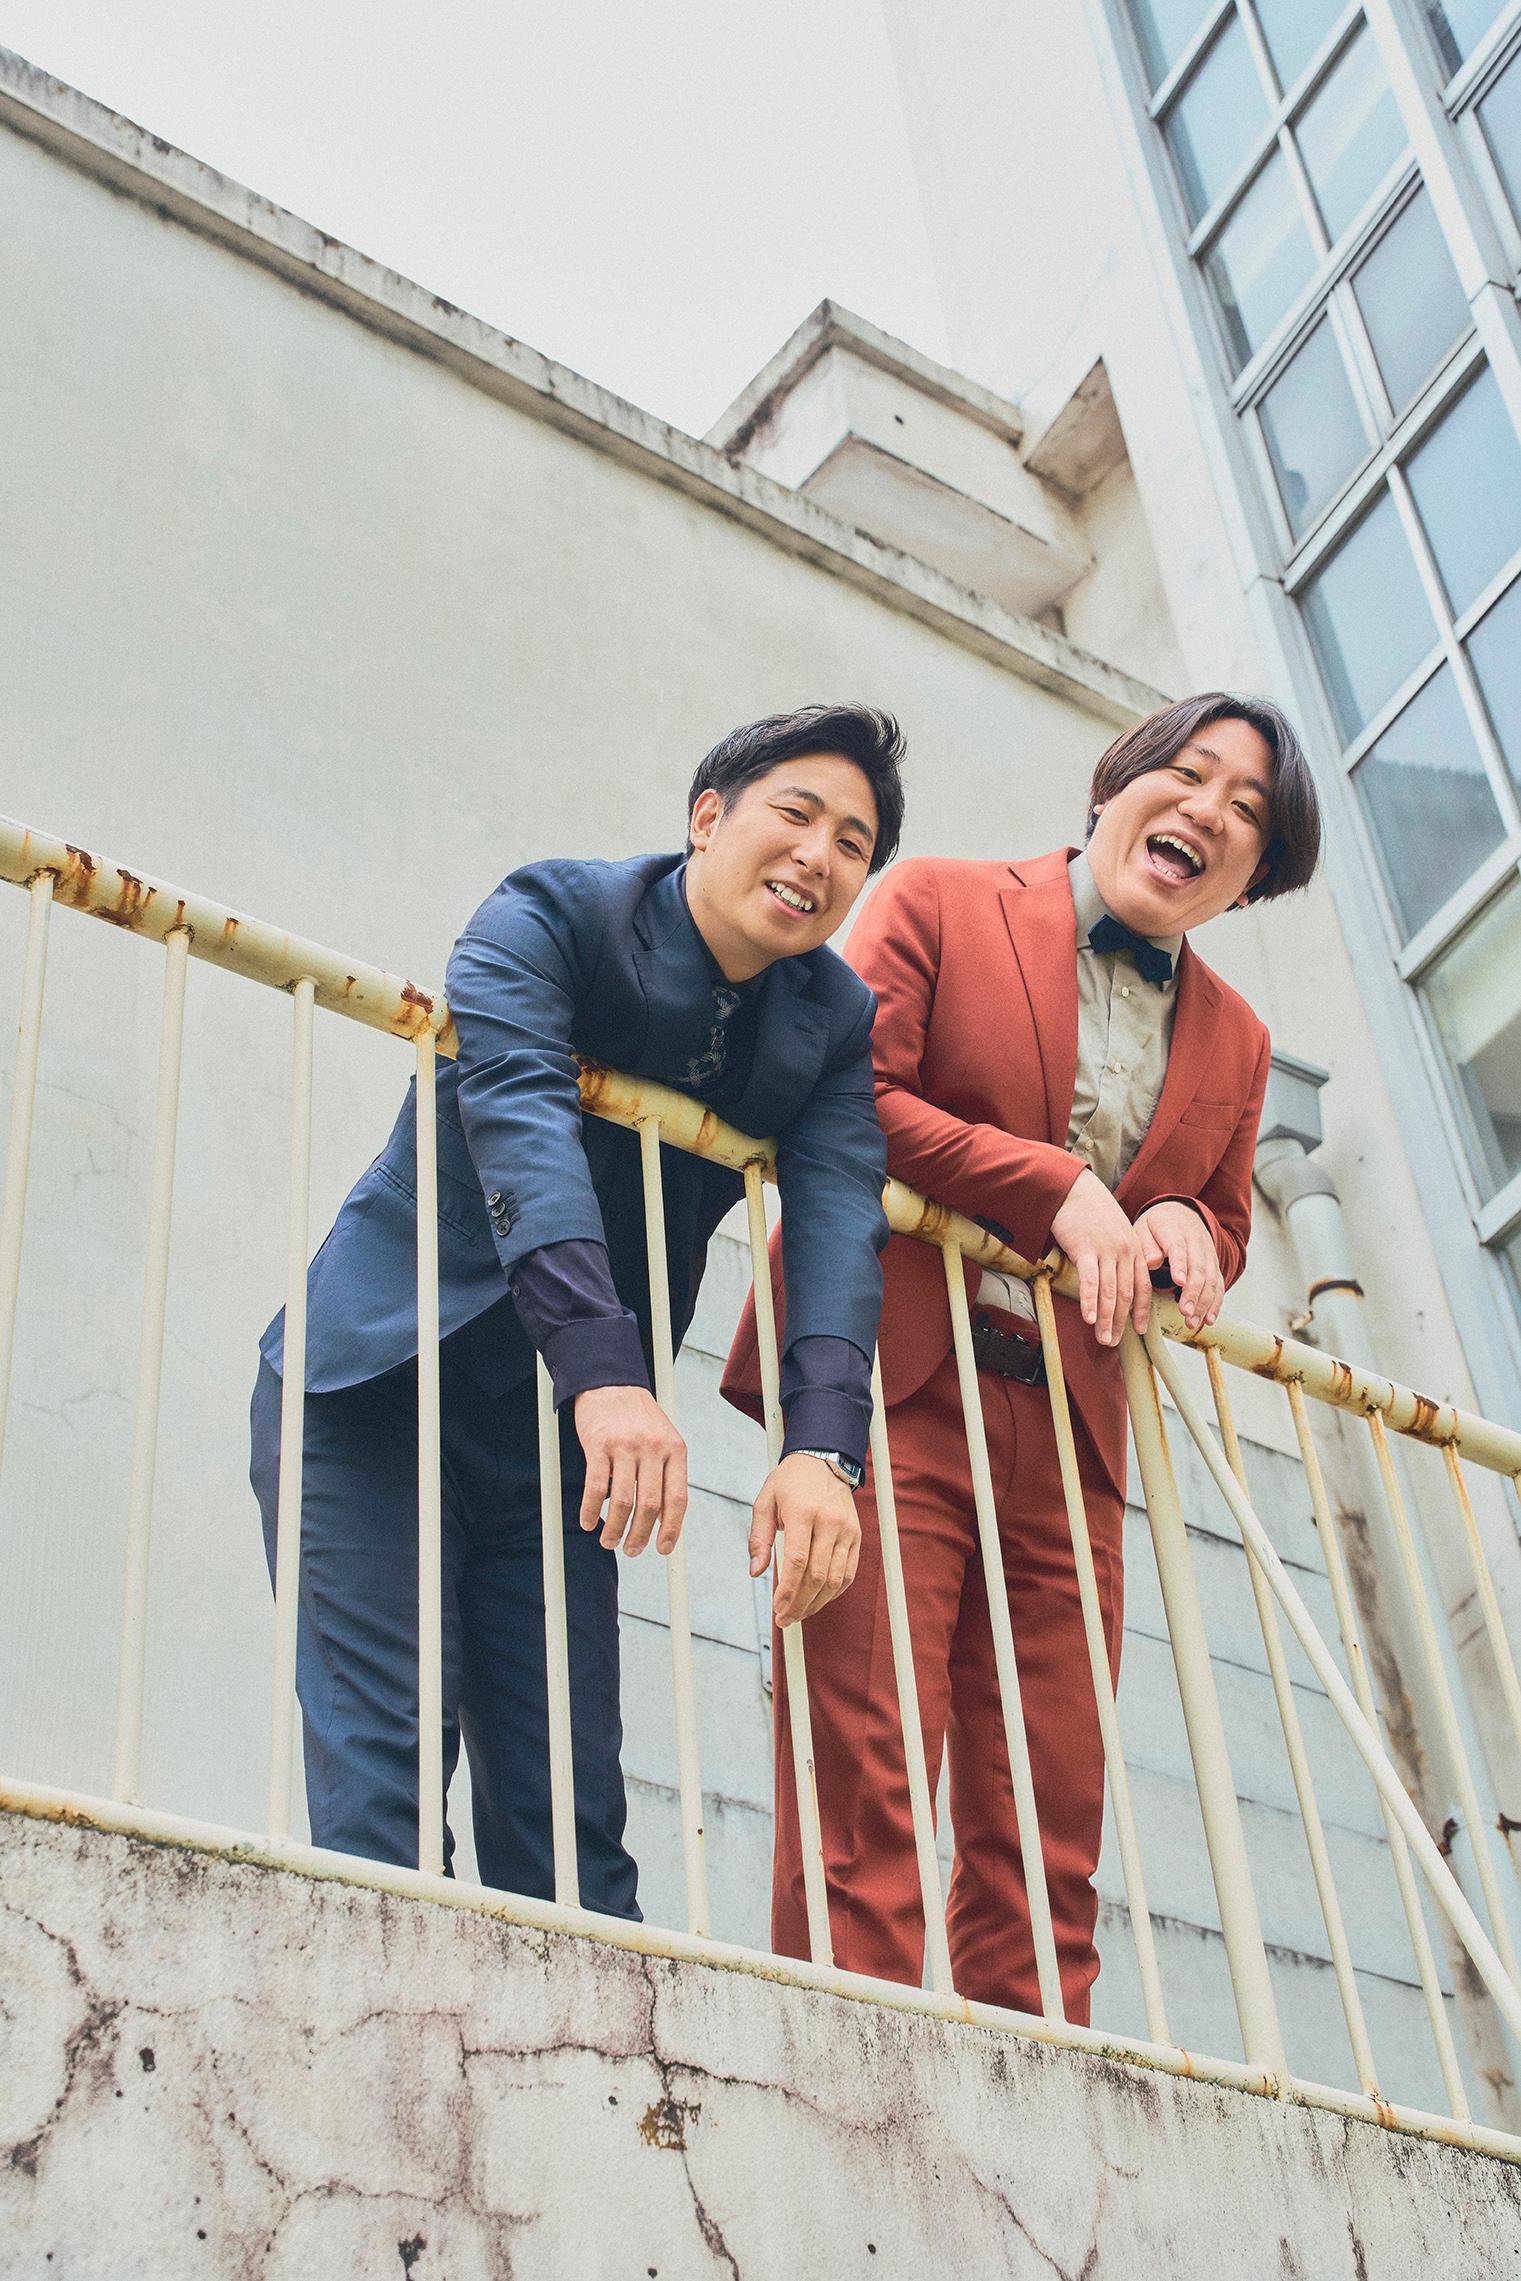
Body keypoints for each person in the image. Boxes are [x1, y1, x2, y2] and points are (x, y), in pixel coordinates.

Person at [251, 704, 905, 1914]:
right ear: (707, 817)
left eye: (854, 843)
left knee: (572, 1849)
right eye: (796, 813)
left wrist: (822, 1450)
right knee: (385, 1817)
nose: (819, 855)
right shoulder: (551, 913)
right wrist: (608, 1373)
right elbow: (521, 1124)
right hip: (382, 1383)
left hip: (561, 1463)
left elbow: (836, 1222)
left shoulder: (833, 1019)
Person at [723, 692, 1321, 2015]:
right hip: (892, 1388)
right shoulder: (939, 898)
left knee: (1051, 1814)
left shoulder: (1241, 1039)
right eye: (1189, 773)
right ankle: (844, 2075)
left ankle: (1046, 2092)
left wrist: (1189, 1226)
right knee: (866, 1777)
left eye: (1247, 813)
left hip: (1070, 1436)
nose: (1209, 812)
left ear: (1253, 876)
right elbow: (850, 1098)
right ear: (1115, 781)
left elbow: (1219, 1219)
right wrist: (1049, 1184)